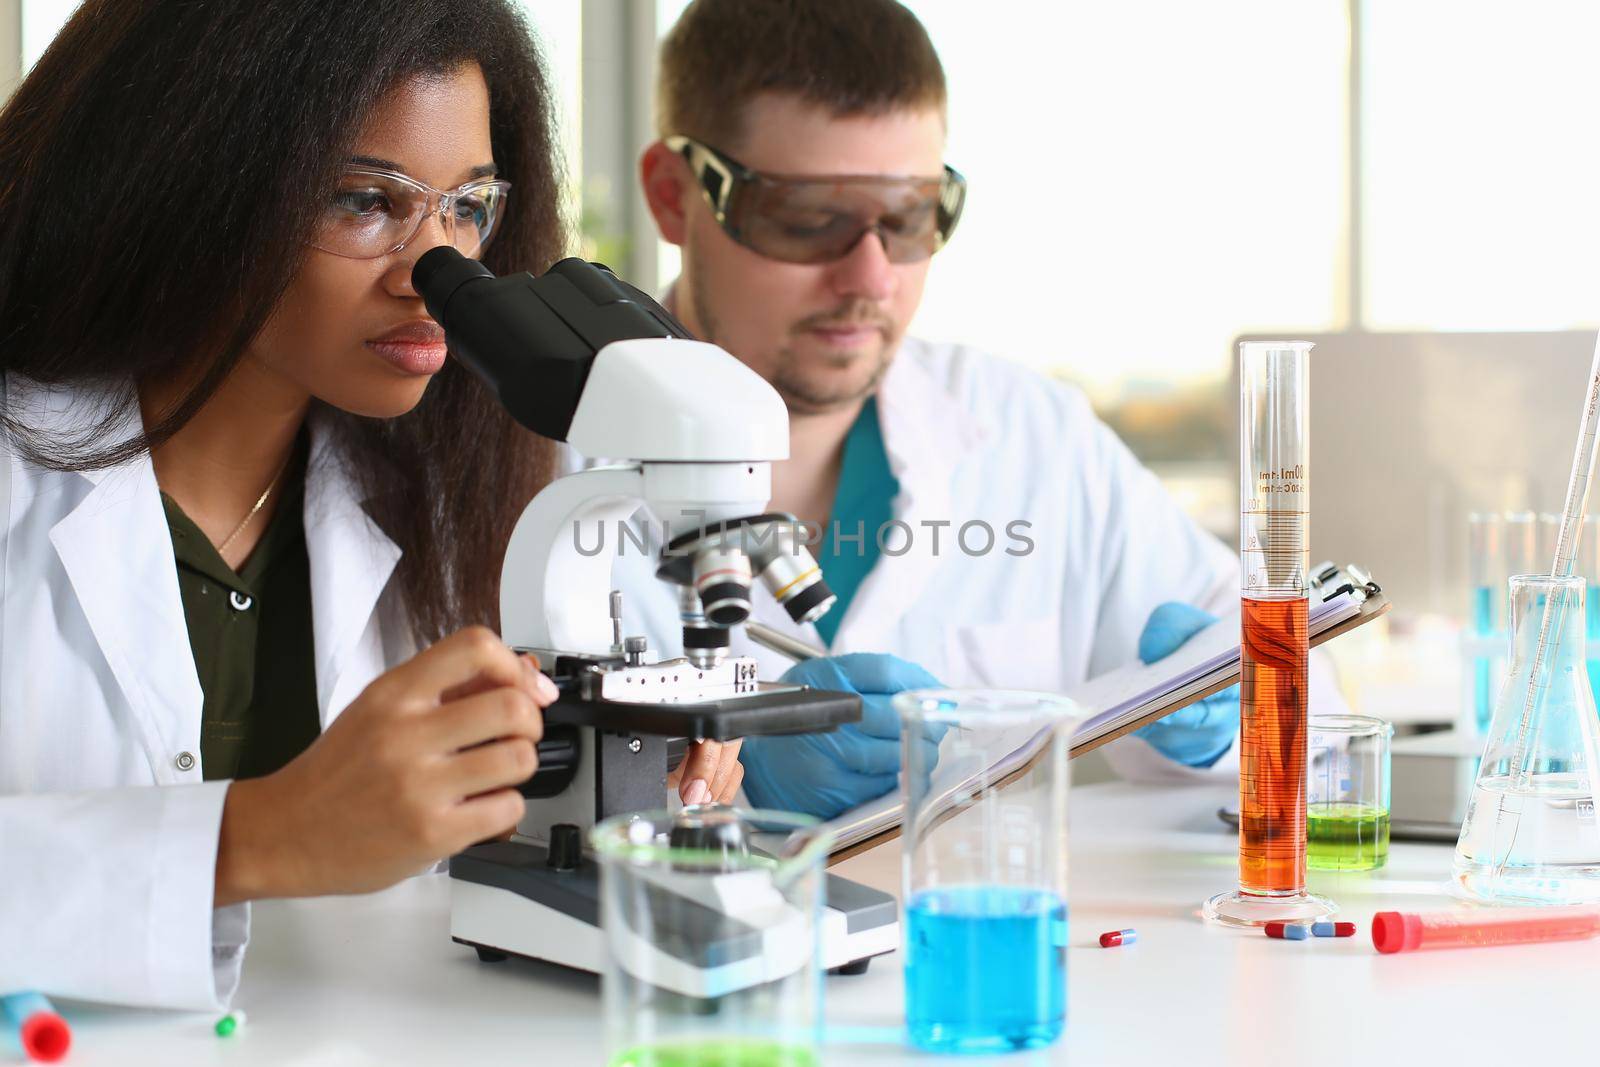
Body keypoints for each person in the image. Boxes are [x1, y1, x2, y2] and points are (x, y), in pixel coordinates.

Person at [0, 0, 740, 1011]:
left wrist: (620, 773)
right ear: (184, 181)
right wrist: (253, 839)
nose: (433, 276)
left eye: (467, 205)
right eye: (363, 200)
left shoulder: (472, 472)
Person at [613, 0, 1331, 819]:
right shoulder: (537, 458)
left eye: (911, 217)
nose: (872, 279)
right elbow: (466, 821)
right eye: (810, 219)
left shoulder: (1034, 438)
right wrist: (702, 778)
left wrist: (1224, 721)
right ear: (674, 197)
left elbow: (1318, 716)